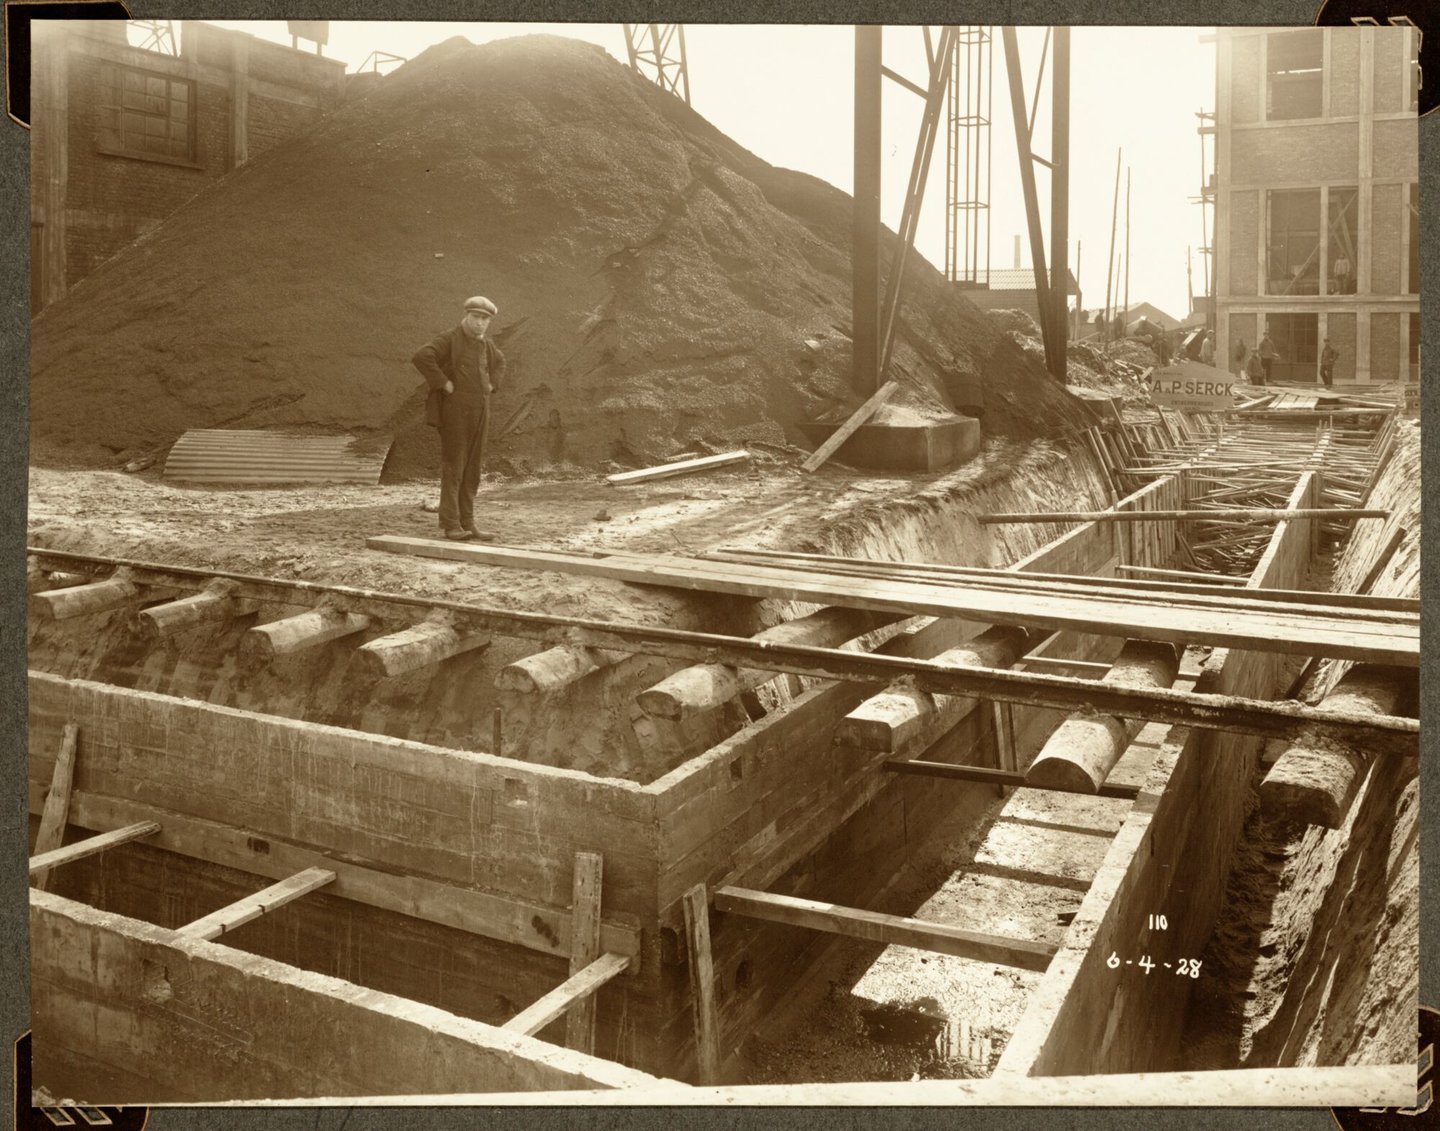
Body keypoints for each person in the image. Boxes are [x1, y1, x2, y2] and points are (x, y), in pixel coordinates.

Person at [412, 295, 507, 542]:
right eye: (476, 317)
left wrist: (491, 385)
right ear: (466, 316)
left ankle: (468, 522)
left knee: (472, 470)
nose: (480, 323)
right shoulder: (450, 339)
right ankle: (451, 524)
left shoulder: (486, 345)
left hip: (480, 410)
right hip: (455, 412)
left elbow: (500, 362)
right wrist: (444, 382)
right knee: (454, 468)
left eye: (485, 319)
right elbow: (422, 356)